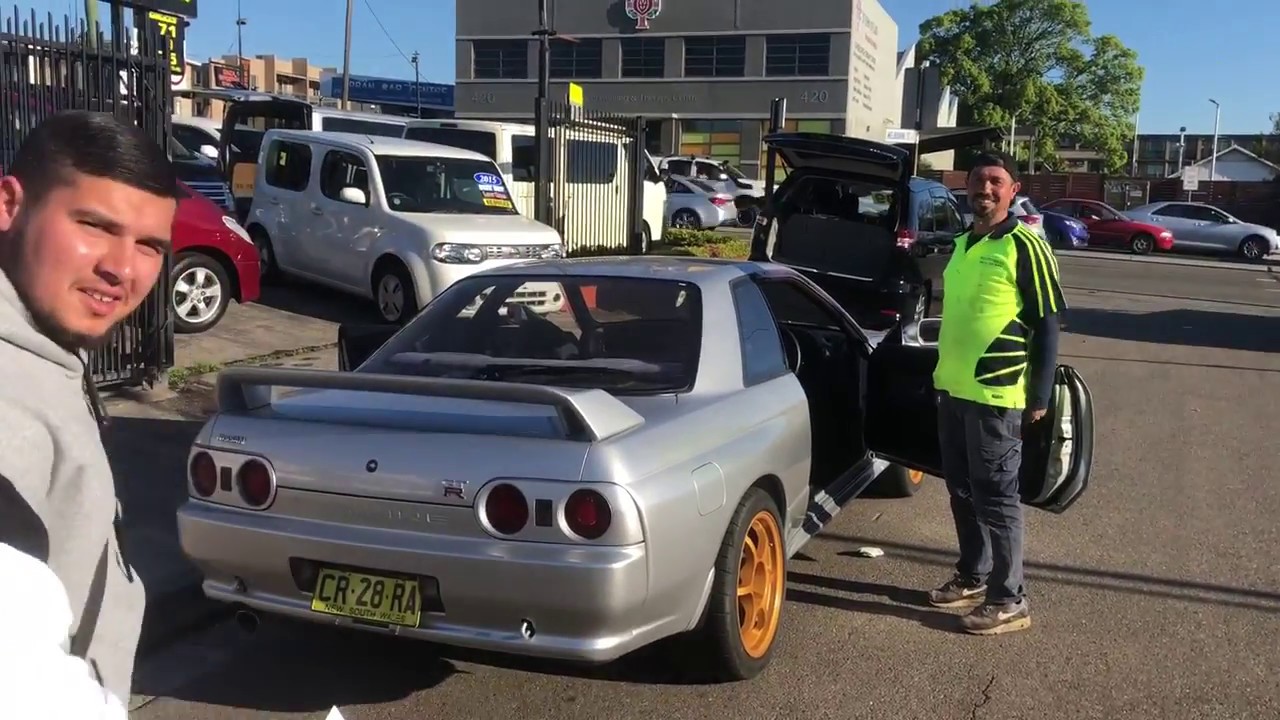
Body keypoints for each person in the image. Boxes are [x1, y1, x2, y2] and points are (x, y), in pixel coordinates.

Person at [0, 111, 179, 701]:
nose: (122, 269)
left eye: (149, 246)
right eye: (95, 225)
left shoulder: (47, 347)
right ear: (8, 204)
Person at [926, 150, 1066, 635]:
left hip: (997, 392)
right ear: (966, 186)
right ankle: (973, 574)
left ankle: (1010, 599)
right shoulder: (962, 243)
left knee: (997, 496)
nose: (984, 188)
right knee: (962, 490)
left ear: (1012, 190)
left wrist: (1040, 396)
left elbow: (1047, 323)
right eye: (978, 180)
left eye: (995, 181)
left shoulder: (1026, 245)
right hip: (953, 388)